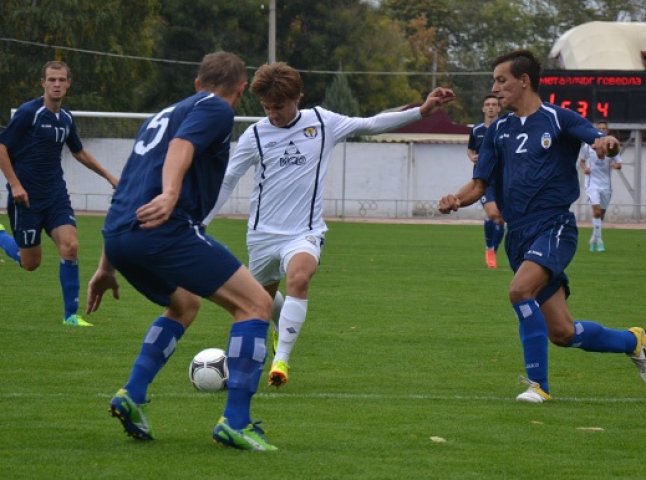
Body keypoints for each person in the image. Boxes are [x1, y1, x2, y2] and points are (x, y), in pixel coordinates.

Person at [204, 61, 455, 388]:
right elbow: (227, 181)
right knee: (260, 304)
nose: (272, 114)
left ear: (297, 98)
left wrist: (421, 111)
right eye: (266, 107)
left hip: (304, 232)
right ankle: (281, 327)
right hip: (262, 235)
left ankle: (282, 361)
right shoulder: (255, 135)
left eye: (278, 107)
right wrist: (202, 221)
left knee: (299, 278)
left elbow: (371, 124)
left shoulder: (322, 121)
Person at [85, 51, 278, 451]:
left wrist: (107, 264)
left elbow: (130, 186)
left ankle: (133, 394)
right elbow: (182, 148)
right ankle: (236, 422)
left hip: (121, 234)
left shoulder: (161, 115)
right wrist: (172, 193)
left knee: (185, 304)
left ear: (196, 81)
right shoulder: (217, 110)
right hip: (164, 230)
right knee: (256, 305)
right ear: (241, 90)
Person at [438, 49, 646, 403]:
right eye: (494, 81)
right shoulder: (497, 130)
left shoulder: (557, 118)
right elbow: (478, 185)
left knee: (520, 292)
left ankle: (539, 386)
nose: (495, 88)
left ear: (524, 81)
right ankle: (635, 341)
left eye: (501, 80)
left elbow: (599, 140)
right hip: (518, 236)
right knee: (563, 333)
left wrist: (606, 144)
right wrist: (456, 199)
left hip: (554, 226)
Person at [0, 60, 118, 327]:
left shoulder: (66, 119)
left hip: (55, 195)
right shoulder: (29, 113)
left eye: (61, 80)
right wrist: (15, 184)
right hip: (26, 198)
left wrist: (109, 176)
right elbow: (2, 148)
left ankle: (70, 316)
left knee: (71, 246)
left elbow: (78, 151)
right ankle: (0, 235)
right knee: (30, 263)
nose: (56, 84)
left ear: (68, 83)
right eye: (51, 80)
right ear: (42, 83)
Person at [467, 94, 505, 268]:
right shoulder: (477, 130)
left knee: (501, 219)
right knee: (492, 213)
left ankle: (493, 250)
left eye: (494, 104)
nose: (490, 107)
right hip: (483, 180)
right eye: (487, 104)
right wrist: (472, 157)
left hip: (504, 179)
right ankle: (489, 248)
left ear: (499, 108)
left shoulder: (505, 129)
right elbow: (470, 150)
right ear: (483, 108)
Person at [578, 121, 622, 252]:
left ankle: (594, 238)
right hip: (592, 183)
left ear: (607, 131)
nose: (602, 130)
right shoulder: (587, 146)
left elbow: (619, 163)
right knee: (596, 212)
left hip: (606, 185)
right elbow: (581, 162)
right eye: (600, 128)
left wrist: (615, 166)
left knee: (601, 215)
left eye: (604, 128)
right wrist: (585, 168)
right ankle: (600, 241)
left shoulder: (613, 147)